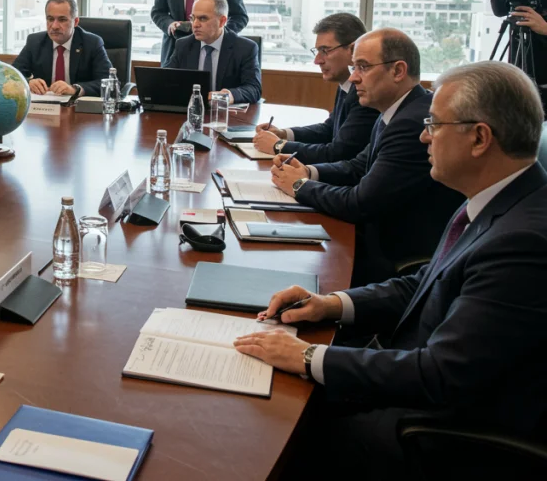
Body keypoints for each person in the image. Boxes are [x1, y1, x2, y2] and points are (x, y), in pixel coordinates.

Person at [234, 61, 547, 474]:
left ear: (479, 137)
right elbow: (425, 283)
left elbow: (441, 374)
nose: (423, 135)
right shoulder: (500, 199)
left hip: (439, 428)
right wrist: (331, 304)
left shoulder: (523, 242)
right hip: (411, 375)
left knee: (262, 430)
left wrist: (309, 356)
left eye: (434, 124)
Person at [270, 28, 462, 285]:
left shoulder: (411, 123)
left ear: (398, 71)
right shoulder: (395, 110)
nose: (354, 78)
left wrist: (299, 186)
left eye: (362, 67)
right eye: (354, 67)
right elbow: (357, 166)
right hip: (377, 235)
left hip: (393, 255)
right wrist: (308, 172)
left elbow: (359, 204)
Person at [253, 13, 378, 163]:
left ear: (352, 50)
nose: (317, 60)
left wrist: (279, 145)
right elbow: (329, 129)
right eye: (317, 51)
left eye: (325, 51)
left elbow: (338, 153)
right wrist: (283, 134)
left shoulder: (366, 94)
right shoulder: (346, 84)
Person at [163, 0, 262, 104]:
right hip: (191, 113)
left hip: (227, 116)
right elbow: (165, 79)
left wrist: (230, 95)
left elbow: (254, 89)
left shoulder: (245, 48)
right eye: (193, 18)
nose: (195, 24)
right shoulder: (183, 45)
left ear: (222, 21)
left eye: (203, 19)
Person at [10, 0, 114, 97]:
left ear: (75, 22)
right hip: (44, 108)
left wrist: (75, 89)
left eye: (62, 20)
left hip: (77, 109)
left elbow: (110, 83)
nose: (54, 26)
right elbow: (12, 75)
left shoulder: (92, 43)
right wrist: (28, 82)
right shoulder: (35, 42)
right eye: (50, 19)